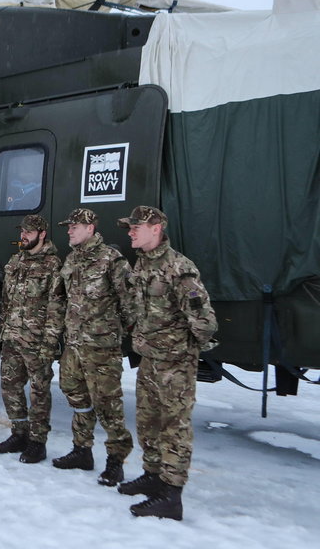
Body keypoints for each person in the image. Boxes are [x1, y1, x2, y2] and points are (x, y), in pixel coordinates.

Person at [117, 206, 217, 521]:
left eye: (136, 227)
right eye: (129, 227)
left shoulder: (179, 268)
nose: (131, 231)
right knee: (147, 421)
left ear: (156, 228)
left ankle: (172, 495)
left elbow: (205, 321)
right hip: (149, 358)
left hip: (175, 363)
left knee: (174, 426)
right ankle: (153, 475)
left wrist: (184, 349)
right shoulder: (142, 265)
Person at [52, 208, 133, 486]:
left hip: (101, 347)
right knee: (75, 395)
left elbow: (129, 303)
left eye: (74, 226)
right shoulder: (72, 259)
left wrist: (116, 332)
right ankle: (82, 450)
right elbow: (61, 299)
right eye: (69, 226)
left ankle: (115, 461)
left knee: (108, 404)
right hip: (74, 345)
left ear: (90, 228)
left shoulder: (111, 260)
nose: (69, 230)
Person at [0, 214, 64, 463]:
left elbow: (57, 309)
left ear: (42, 234)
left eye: (29, 232)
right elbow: (7, 301)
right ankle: (19, 433)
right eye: (22, 231)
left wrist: (49, 344)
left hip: (36, 341)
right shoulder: (16, 261)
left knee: (39, 391)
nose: (23, 236)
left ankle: (37, 442)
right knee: (9, 387)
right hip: (12, 336)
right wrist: (3, 331)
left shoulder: (53, 265)